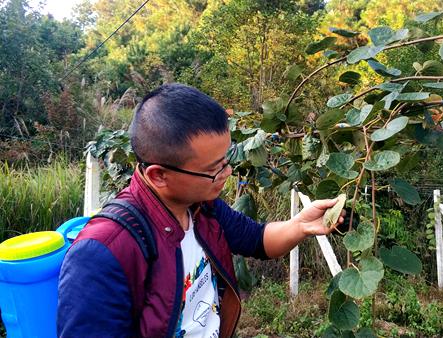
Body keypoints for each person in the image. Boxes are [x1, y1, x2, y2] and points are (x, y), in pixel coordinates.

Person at [57, 83, 344, 338]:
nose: (227, 172)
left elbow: (256, 239)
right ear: (159, 176)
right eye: (213, 169)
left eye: (226, 159)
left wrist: (302, 225)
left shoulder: (201, 208)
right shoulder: (102, 254)